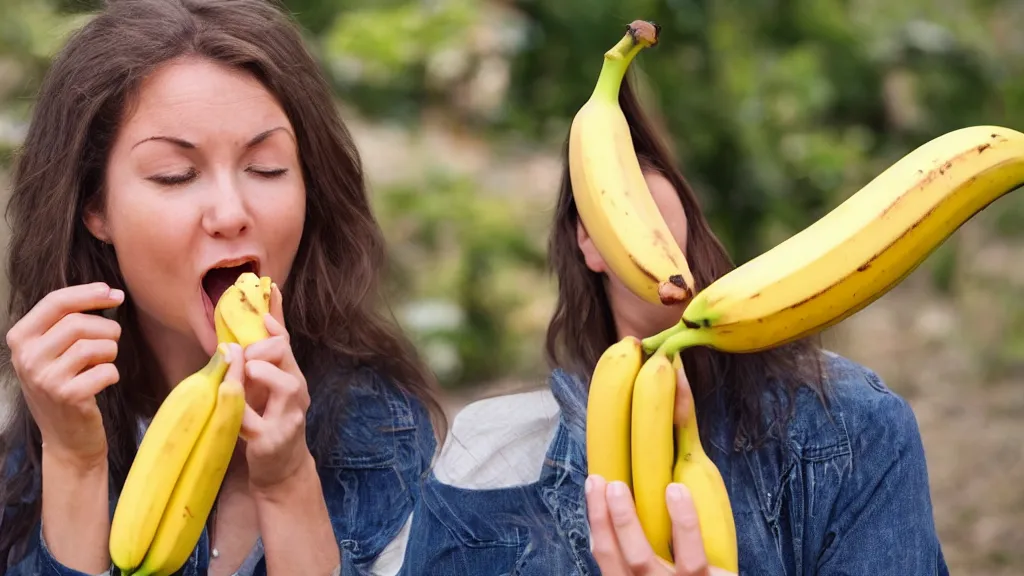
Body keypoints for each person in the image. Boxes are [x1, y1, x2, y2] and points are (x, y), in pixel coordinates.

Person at [400, 74, 951, 575]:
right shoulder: (487, 465)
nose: (632, 207)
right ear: (587, 242)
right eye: (611, 195)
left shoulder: (854, 424)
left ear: (685, 203)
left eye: (644, 176)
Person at [0, 1, 444, 575]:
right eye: (175, 175)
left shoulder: (379, 428)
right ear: (94, 206)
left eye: (266, 169)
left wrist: (287, 485)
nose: (231, 213)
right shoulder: (46, 432)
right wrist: (73, 464)